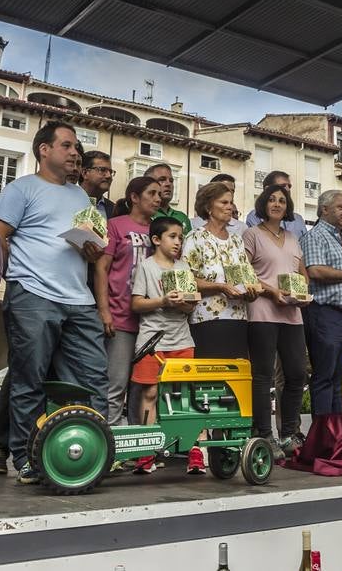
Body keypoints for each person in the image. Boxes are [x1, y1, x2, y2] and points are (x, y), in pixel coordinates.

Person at [0, 121, 109, 484]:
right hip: (34, 295)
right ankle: (26, 458)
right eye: (68, 146)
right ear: (44, 150)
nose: (75, 153)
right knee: (29, 380)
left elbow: (94, 251)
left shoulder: (83, 199)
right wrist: (16, 276)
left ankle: (92, 453)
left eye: (77, 148)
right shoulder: (21, 189)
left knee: (92, 380)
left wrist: (89, 249)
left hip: (79, 299)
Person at [242, 184, 307, 455]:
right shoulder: (252, 234)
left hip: (292, 314)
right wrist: (273, 292)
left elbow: (302, 274)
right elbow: (244, 273)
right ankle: (264, 434)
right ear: (263, 204)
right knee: (263, 375)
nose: (277, 204)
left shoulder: (293, 237)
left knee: (296, 374)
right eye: (271, 200)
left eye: (282, 200)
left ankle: (289, 434)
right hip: (262, 312)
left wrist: (303, 293)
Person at [129, 216, 198, 469]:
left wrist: (185, 303)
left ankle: (193, 450)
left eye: (180, 237)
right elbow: (136, 303)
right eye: (172, 236)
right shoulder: (146, 267)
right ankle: (147, 451)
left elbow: (191, 307)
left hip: (182, 339)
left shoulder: (184, 268)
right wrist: (163, 301)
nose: (178, 242)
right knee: (149, 392)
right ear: (156, 240)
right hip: (152, 341)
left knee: (184, 396)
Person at [94, 175, 161, 425]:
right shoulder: (115, 225)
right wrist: (104, 311)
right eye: (151, 193)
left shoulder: (159, 229)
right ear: (134, 197)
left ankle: (137, 445)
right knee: (116, 383)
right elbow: (102, 268)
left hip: (152, 320)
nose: (158, 198)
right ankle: (108, 443)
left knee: (144, 387)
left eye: (159, 194)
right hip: (120, 316)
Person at [300, 190, 342, 415]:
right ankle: (325, 435)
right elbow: (315, 270)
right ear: (324, 210)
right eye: (341, 207)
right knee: (325, 375)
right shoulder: (315, 236)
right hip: (324, 314)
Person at [184, 180, 256, 359]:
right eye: (224, 202)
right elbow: (187, 280)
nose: (229, 207)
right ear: (208, 207)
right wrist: (220, 287)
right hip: (208, 320)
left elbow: (246, 276)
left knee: (235, 379)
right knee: (211, 380)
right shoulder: (196, 237)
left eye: (230, 202)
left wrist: (252, 291)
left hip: (238, 318)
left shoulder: (237, 240)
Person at [243, 171, 308, 239]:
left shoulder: (298, 219)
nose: (288, 189)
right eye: (283, 186)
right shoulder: (254, 216)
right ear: (267, 189)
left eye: (289, 186)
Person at [192, 173, 247, 237]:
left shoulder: (241, 229)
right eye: (223, 189)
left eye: (232, 191)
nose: (229, 193)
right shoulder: (193, 225)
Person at [146, 163, 191, 234]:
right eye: (162, 180)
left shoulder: (182, 217)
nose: (168, 184)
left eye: (171, 181)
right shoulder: (145, 215)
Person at [80, 150, 117, 218]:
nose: (109, 176)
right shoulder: (66, 202)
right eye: (102, 170)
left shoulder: (114, 210)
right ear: (85, 173)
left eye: (111, 172)